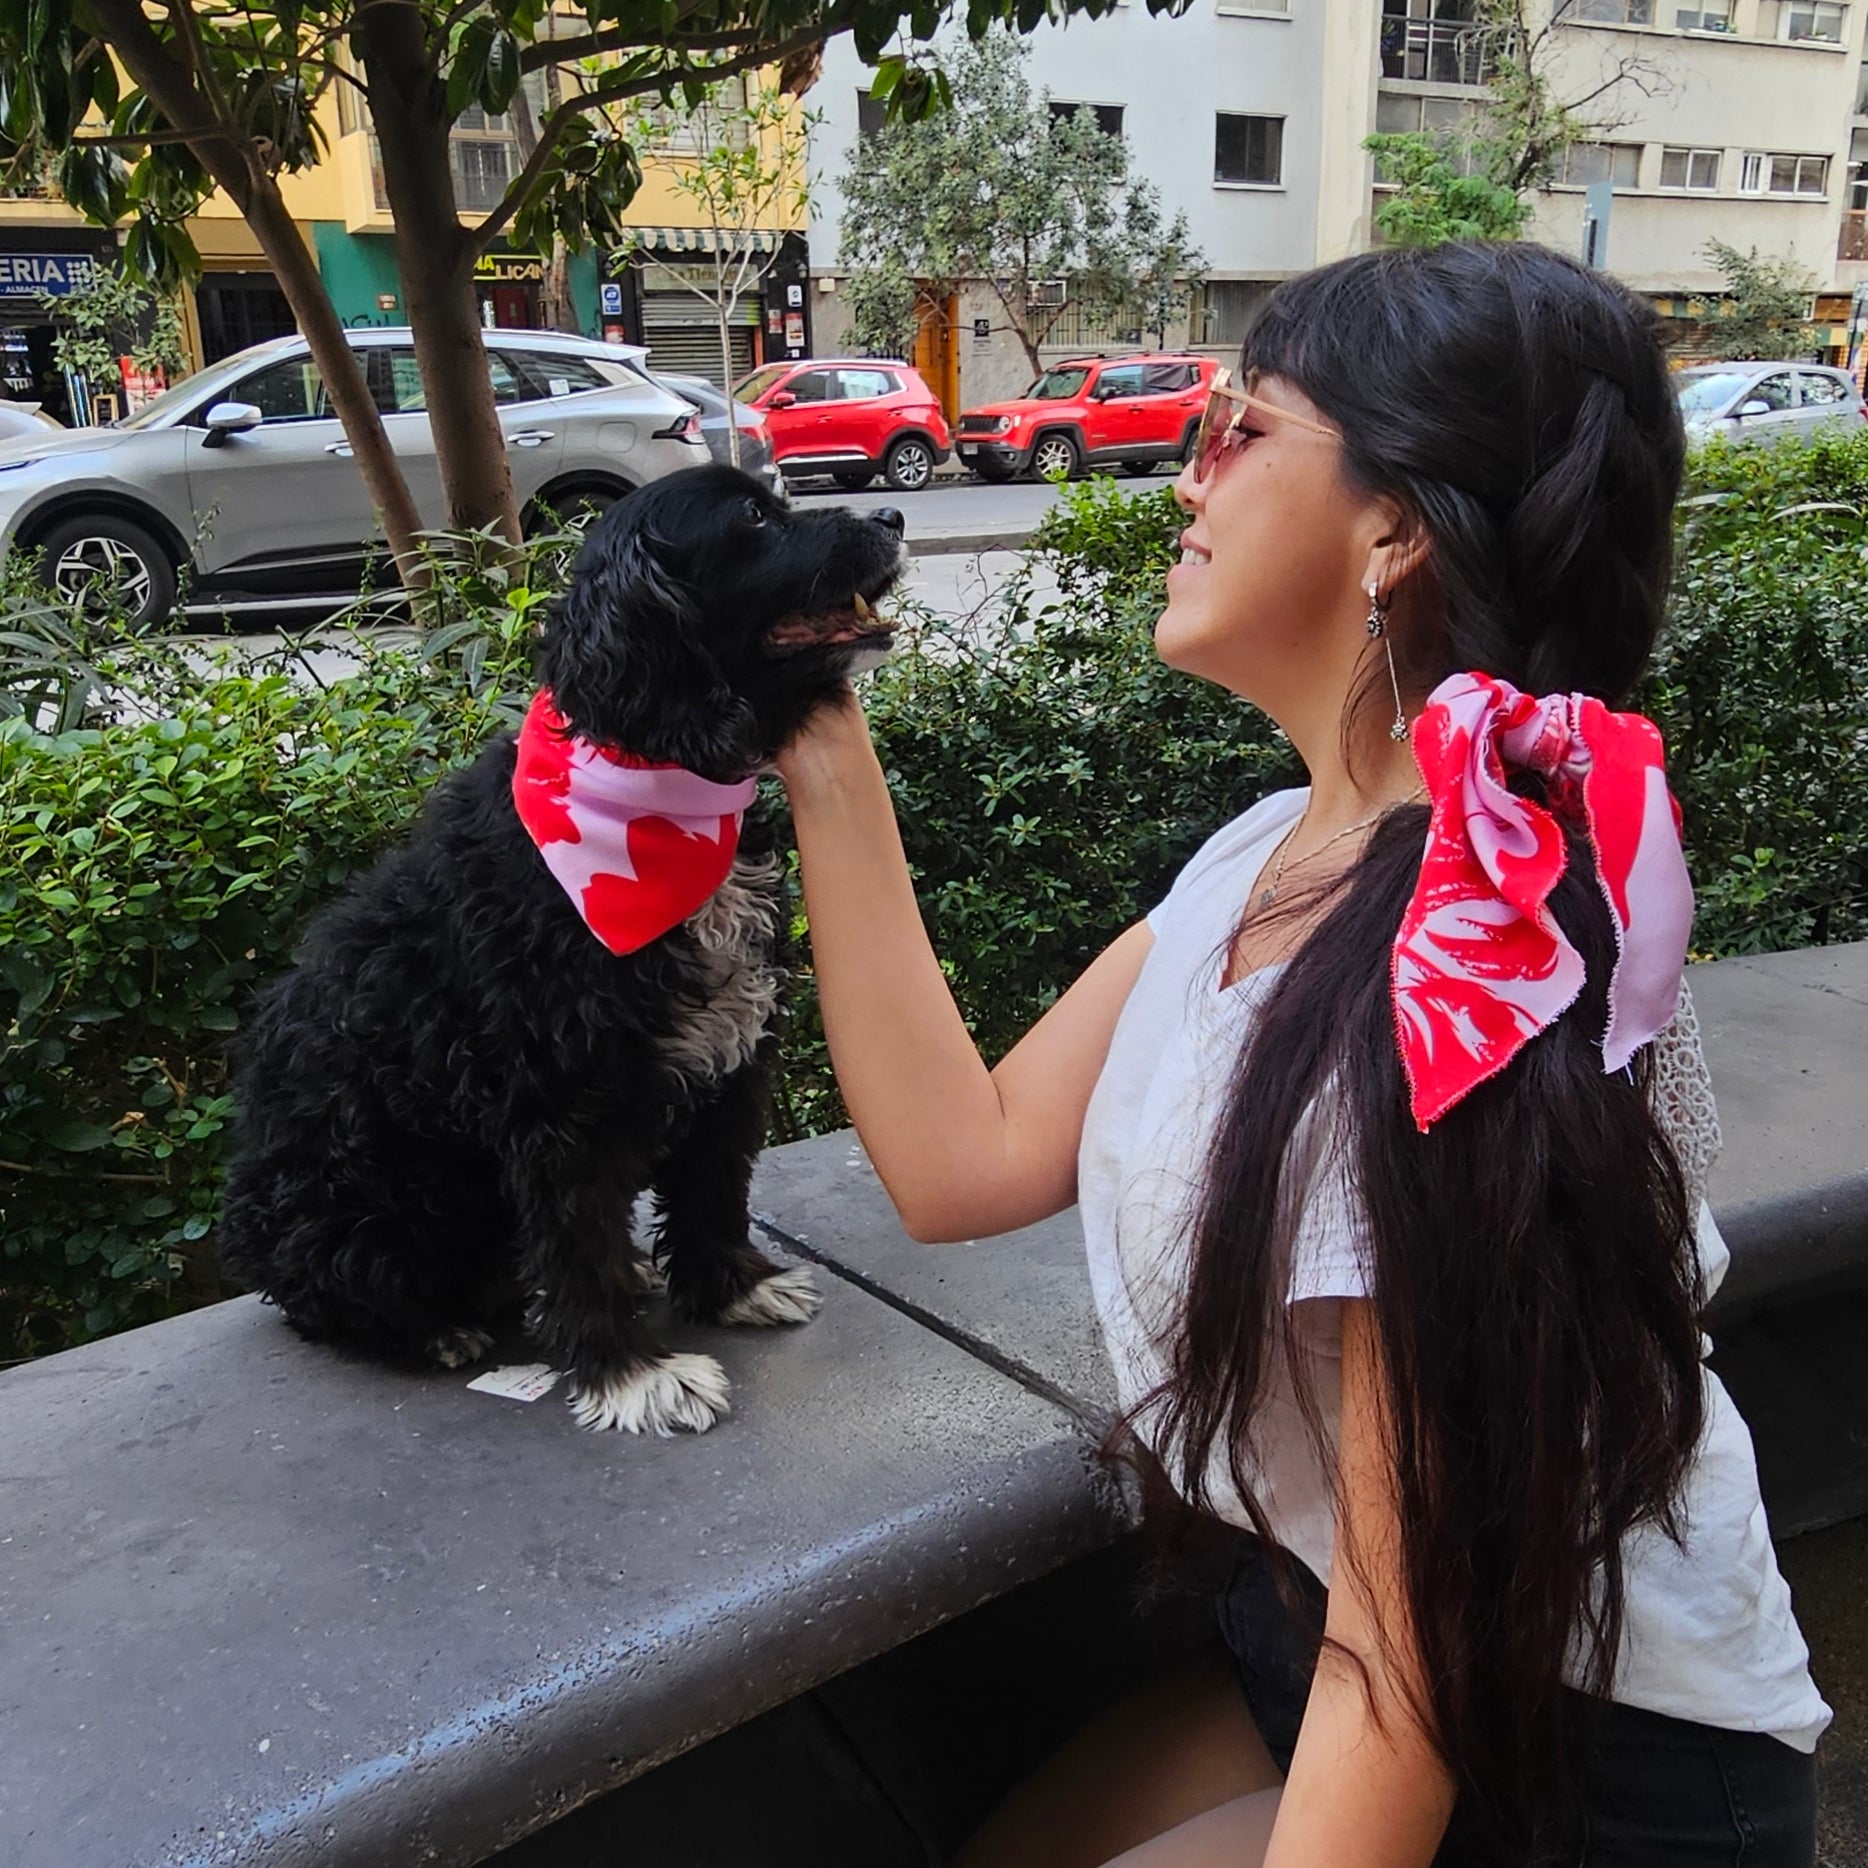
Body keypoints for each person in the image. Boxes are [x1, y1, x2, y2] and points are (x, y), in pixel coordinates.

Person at [773, 241, 1830, 1866]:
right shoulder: (1279, 849)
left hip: (1587, 1755)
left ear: (1394, 529)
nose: (1182, 473)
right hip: (1320, 1634)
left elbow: (1412, 1665)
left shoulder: (1457, 976)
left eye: (1239, 427)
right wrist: (817, 723)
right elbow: (961, 1157)